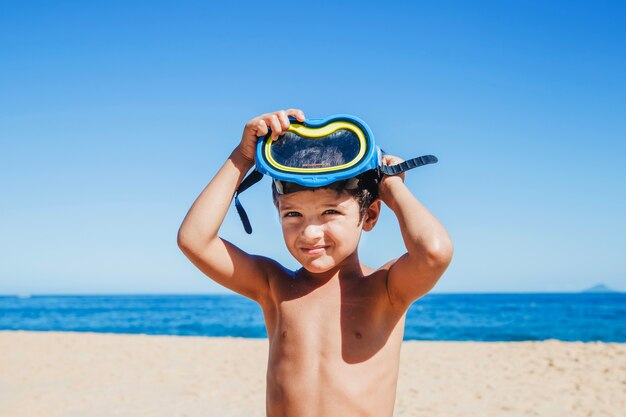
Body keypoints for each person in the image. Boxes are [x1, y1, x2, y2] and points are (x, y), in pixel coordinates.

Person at [177, 108, 453, 417]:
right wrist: (241, 158)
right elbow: (195, 239)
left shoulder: (385, 290)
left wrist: (392, 186)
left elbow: (434, 252)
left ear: (370, 215)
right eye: (293, 214)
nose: (309, 232)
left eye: (330, 213)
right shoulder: (274, 286)